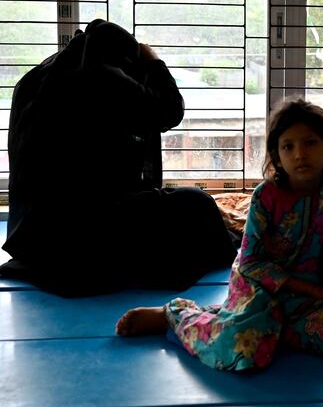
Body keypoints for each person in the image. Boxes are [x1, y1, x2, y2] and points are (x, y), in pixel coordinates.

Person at [116, 99, 323, 372]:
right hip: (258, 289)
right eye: (288, 146)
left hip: (307, 300)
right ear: (277, 155)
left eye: (310, 143)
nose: (300, 154)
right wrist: (313, 291)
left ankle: (265, 327)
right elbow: (251, 264)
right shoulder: (266, 196)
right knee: (245, 351)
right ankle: (175, 315)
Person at [1, 19, 236, 296]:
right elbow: (170, 109)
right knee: (199, 204)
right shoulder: (101, 75)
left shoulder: (33, 80)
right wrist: (154, 61)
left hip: (33, 241)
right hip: (84, 239)